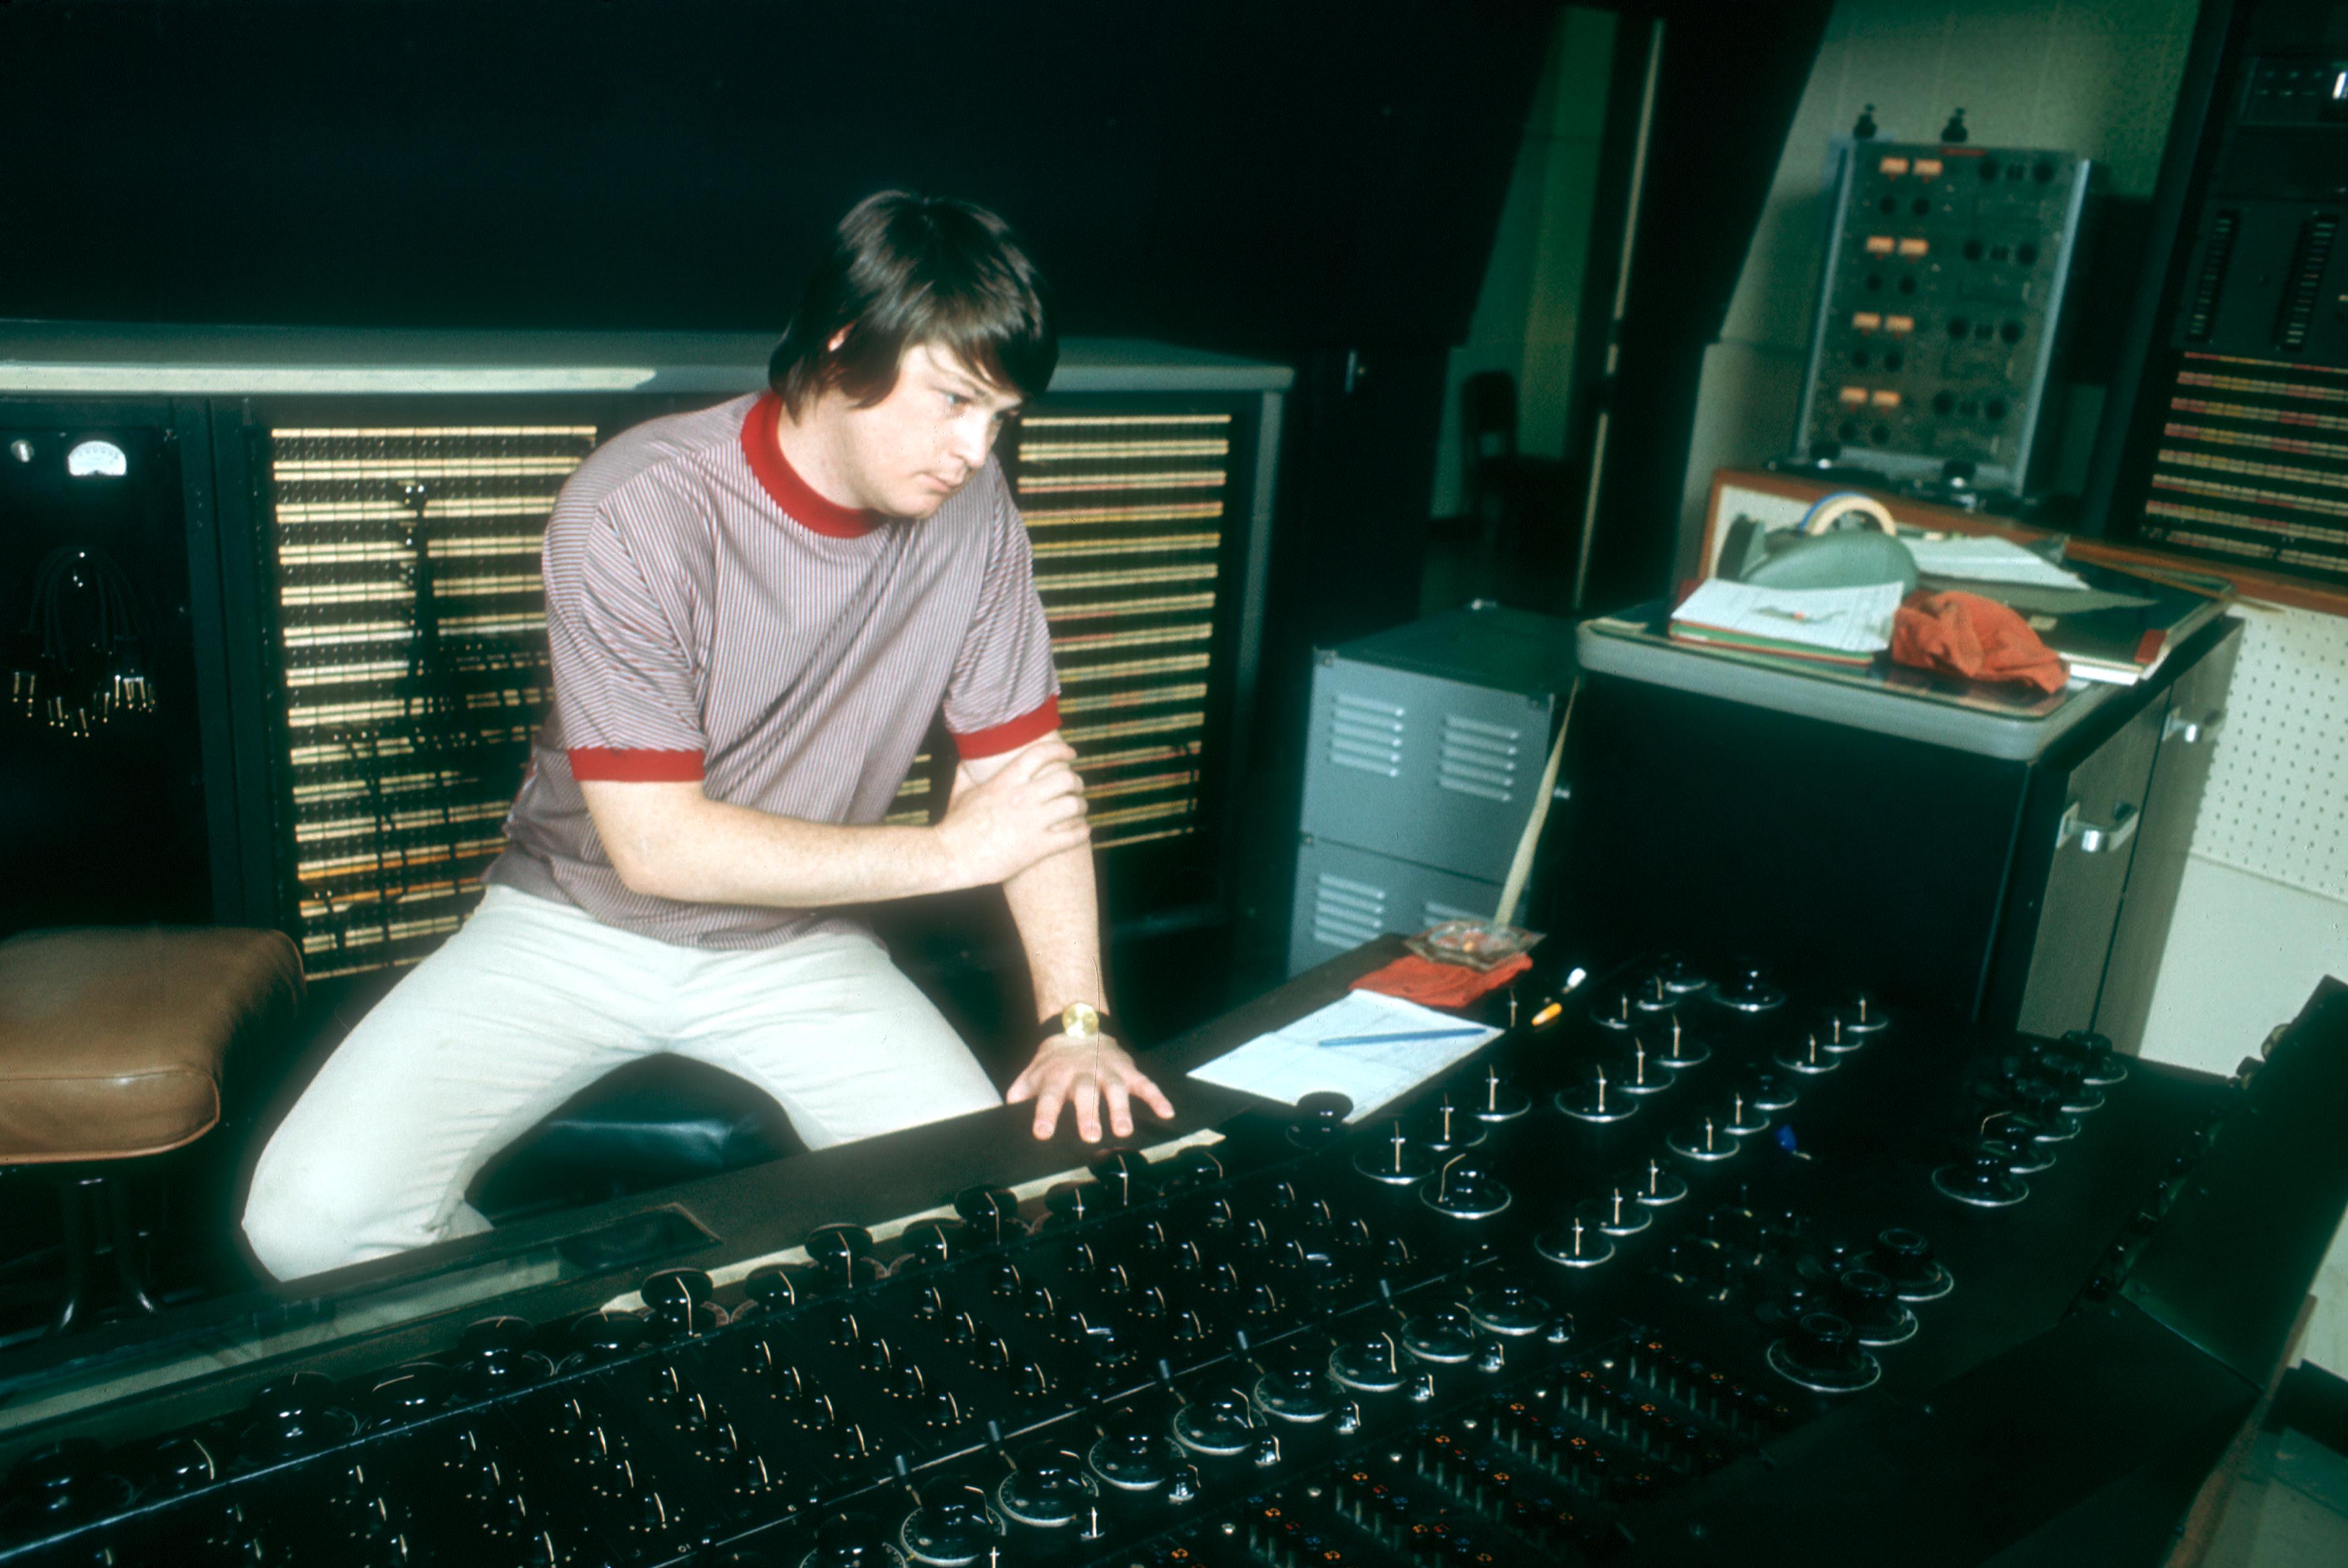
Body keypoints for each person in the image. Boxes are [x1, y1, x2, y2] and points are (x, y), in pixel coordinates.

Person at [241, 192, 1174, 1282]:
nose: (976, 450)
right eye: (954, 400)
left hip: (797, 944)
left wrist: (1076, 1023)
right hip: (572, 925)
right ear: (843, 345)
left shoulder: (974, 520)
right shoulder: (638, 506)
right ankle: (577, 1351)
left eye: (1000, 418)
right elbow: (658, 849)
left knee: (1003, 1221)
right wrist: (953, 853)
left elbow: (1026, 779)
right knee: (309, 1222)